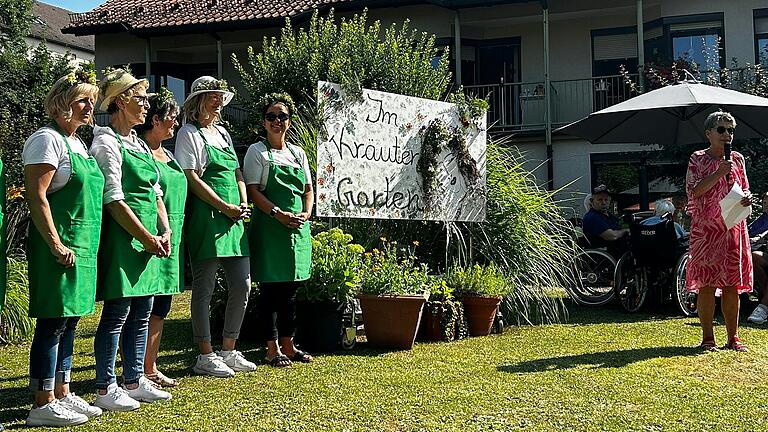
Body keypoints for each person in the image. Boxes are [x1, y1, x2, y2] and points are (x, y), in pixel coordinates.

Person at [21, 68, 104, 426]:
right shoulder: (46, 139)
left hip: (82, 246)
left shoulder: (78, 143)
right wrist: (55, 243)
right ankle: (42, 402)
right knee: (53, 322)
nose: (89, 107)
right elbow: (36, 196)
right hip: (58, 246)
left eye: (92, 100)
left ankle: (63, 391)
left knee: (70, 322)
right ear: (60, 105)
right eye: (82, 100)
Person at [90, 67, 172, 410]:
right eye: (140, 98)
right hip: (125, 239)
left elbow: (155, 192)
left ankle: (134, 379)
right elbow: (113, 198)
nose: (146, 104)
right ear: (121, 102)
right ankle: (106, 386)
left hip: (150, 238)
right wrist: (146, 236)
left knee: (143, 310)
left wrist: (164, 230)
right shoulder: (105, 142)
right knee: (118, 313)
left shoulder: (137, 142)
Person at [174, 76, 255, 377]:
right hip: (208, 218)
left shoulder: (222, 133)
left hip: (235, 218)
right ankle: (205, 354)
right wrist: (224, 206)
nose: (218, 101)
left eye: (220, 95)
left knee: (242, 285)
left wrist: (242, 203)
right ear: (198, 100)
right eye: (212, 96)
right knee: (204, 288)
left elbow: (236, 171)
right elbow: (192, 178)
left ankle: (229, 349)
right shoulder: (188, 133)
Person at [243, 93, 313, 368]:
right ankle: (271, 348)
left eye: (282, 116)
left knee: (291, 290)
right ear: (264, 122)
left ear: (289, 121)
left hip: (296, 230)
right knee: (271, 290)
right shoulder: (257, 152)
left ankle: (289, 344)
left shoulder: (298, 153)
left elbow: (308, 189)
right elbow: (252, 191)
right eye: (271, 116)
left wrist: (306, 213)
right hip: (271, 229)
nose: (277, 121)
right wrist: (276, 213)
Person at [685, 111, 752, 352]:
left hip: (733, 226)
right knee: (707, 283)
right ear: (709, 133)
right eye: (722, 130)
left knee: (732, 284)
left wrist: (747, 198)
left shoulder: (738, 159)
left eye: (731, 130)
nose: (727, 135)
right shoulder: (697, 159)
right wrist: (718, 173)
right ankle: (707, 338)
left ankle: (733, 338)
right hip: (706, 232)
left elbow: (744, 188)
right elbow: (694, 192)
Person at [134, 88, 186, 387]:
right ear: (155, 120)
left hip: (172, 236)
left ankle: (150, 367)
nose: (175, 123)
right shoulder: (140, 152)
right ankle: (135, 370)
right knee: (143, 306)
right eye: (171, 118)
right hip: (149, 237)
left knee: (162, 304)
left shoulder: (167, 154)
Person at [581, 184, 629, 253]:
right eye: (600, 200)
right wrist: (625, 231)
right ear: (592, 201)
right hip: (605, 253)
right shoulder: (592, 217)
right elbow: (612, 236)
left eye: (606, 200)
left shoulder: (608, 216)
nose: (603, 202)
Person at [746, 192, 768, 324]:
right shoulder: (761, 218)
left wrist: (759, 238)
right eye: (764, 202)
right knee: (753, 258)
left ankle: (764, 306)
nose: (766, 204)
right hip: (760, 251)